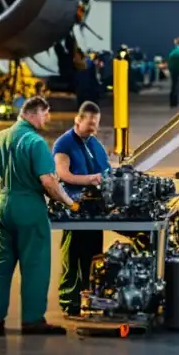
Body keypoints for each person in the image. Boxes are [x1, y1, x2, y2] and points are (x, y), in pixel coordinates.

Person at [0, 96, 77, 336]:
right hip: (28, 206)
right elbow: (48, 182)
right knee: (35, 264)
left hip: (1, 205)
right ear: (35, 113)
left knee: (1, 264)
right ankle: (32, 320)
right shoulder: (34, 142)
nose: (47, 118)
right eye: (46, 113)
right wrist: (70, 203)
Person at [53, 101, 111, 315]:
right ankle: (69, 300)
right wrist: (90, 179)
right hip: (75, 209)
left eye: (96, 124)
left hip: (94, 209)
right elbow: (63, 175)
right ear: (78, 120)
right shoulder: (64, 144)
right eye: (90, 124)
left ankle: (90, 296)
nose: (94, 129)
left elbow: (105, 170)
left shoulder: (94, 143)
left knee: (94, 255)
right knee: (73, 256)